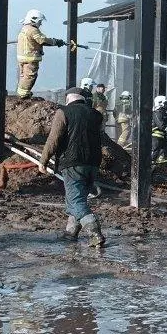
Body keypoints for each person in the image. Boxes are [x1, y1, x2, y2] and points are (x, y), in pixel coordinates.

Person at [37, 87, 105, 247]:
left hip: (72, 163)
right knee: (77, 198)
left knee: (76, 200)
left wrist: (43, 160)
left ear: (68, 98)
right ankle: (71, 232)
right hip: (93, 163)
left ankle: (95, 232)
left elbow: (53, 139)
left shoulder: (63, 112)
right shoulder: (96, 115)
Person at [16, 10, 67, 99]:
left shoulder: (25, 28)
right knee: (30, 76)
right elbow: (42, 40)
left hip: (23, 58)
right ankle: (23, 95)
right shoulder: (33, 30)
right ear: (34, 19)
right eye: (40, 21)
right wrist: (56, 42)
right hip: (30, 58)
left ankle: (22, 93)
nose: (40, 24)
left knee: (23, 76)